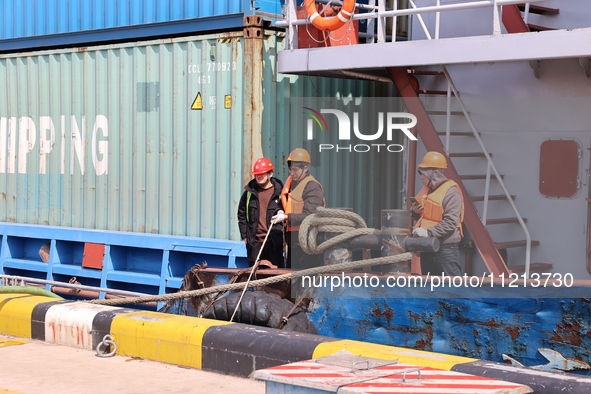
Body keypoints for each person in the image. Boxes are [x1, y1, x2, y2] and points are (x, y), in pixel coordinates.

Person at [411, 151, 464, 276]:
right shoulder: (427, 190)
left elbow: (450, 222)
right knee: (430, 287)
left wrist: (428, 232)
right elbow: (424, 216)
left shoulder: (451, 192)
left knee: (453, 287)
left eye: (423, 173)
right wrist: (415, 212)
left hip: (445, 249)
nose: (421, 177)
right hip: (427, 246)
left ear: (433, 173)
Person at [272, 148, 325, 270]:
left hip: (306, 241)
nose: (292, 173)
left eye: (295, 170)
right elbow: (285, 202)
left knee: (307, 274)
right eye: (291, 169)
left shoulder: (312, 187)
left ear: (305, 168)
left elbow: (311, 215)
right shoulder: (291, 183)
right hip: (292, 239)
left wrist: (286, 217)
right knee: (292, 275)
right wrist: (280, 210)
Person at [237, 158, 285, 268]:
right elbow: (241, 214)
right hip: (255, 243)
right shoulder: (249, 193)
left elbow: (289, 213)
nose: (259, 177)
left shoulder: (281, 193)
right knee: (255, 277)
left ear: (270, 174)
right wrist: (245, 236)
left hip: (274, 243)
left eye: (262, 174)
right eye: (257, 174)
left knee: (274, 278)